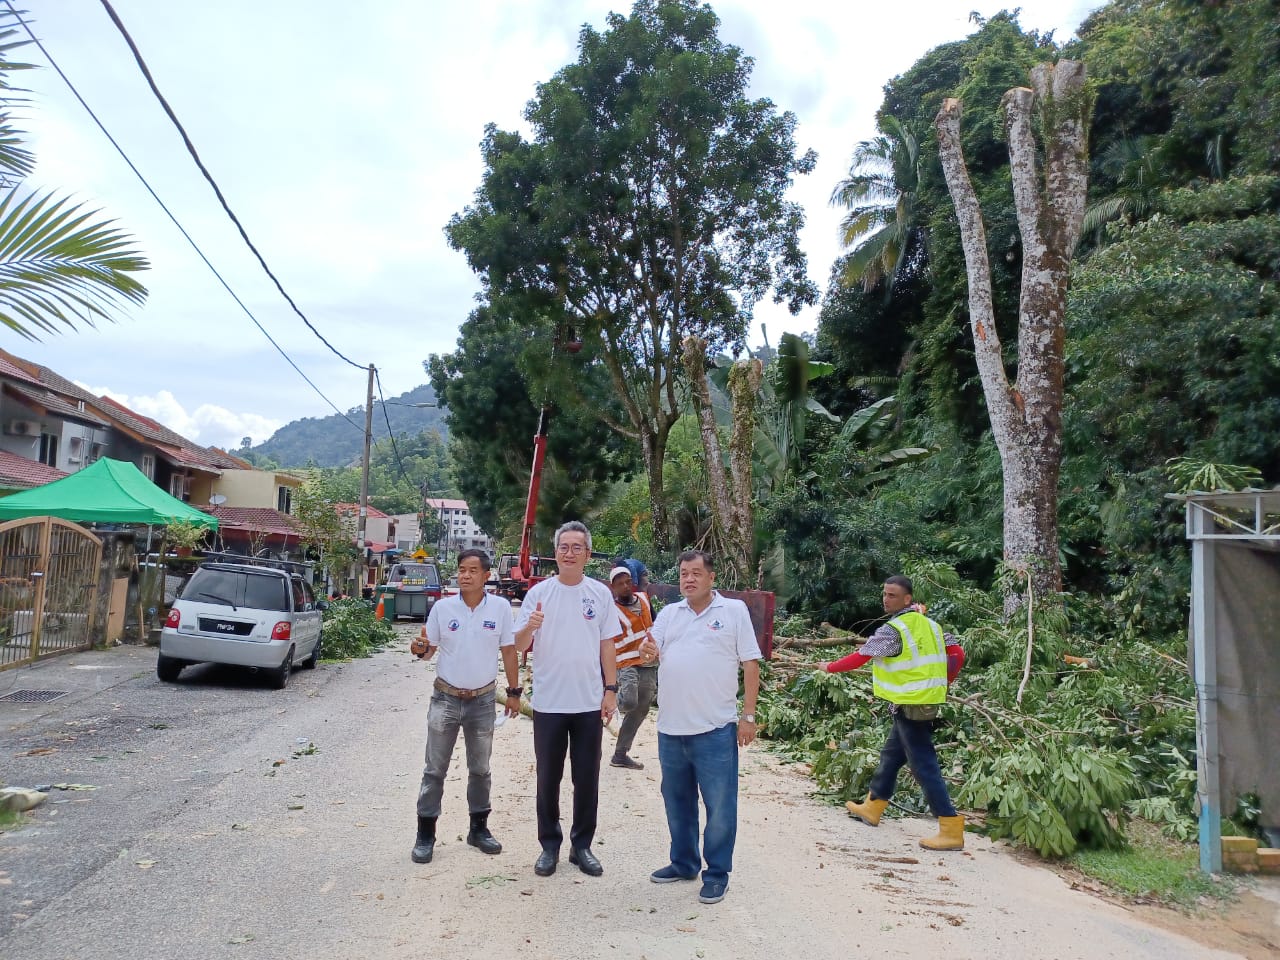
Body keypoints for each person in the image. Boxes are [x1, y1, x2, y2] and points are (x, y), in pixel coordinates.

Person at [636, 550, 761, 905]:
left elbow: (750, 666)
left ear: (711, 577)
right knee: (677, 801)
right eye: (683, 574)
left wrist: (747, 717)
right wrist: (647, 651)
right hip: (671, 728)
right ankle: (684, 862)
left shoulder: (733, 612)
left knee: (720, 806)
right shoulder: (670, 615)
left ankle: (717, 873)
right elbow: (650, 651)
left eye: (695, 573)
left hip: (715, 729)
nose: (688, 579)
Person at [820, 574, 966, 851]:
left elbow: (862, 656)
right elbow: (957, 654)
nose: (886, 599)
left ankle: (950, 826)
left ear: (907, 599)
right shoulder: (931, 625)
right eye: (885, 593)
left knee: (924, 765)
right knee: (891, 755)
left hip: (911, 703)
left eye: (893, 595)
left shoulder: (895, 629)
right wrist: (943, 683)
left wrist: (829, 668)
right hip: (918, 702)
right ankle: (873, 806)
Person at [514, 521, 620, 878]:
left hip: (589, 702)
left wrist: (611, 689)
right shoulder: (539, 594)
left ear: (588, 555)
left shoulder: (600, 594)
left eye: (577, 547)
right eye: (564, 547)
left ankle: (582, 846)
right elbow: (518, 644)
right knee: (548, 777)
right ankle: (549, 846)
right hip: (549, 703)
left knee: (587, 777)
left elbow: (608, 645)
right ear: (555, 553)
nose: (570, 553)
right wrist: (531, 625)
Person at [410, 548, 522, 864]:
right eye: (461, 569)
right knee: (434, 769)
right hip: (445, 698)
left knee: (481, 769)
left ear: (487, 576)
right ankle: (425, 834)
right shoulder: (443, 609)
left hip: (483, 700)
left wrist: (514, 692)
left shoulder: (500, 608)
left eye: (473, 570)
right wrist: (418, 648)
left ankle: (478, 829)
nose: (465, 575)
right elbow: (427, 650)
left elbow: (509, 651)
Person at [608, 566, 657, 770]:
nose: (626, 586)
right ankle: (600, 709)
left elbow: (656, 623)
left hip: (649, 661)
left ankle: (620, 754)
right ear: (613, 588)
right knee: (628, 701)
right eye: (620, 584)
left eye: (628, 581)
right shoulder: (611, 609)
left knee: (641, 707)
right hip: (626, 661)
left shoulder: (644, 599)